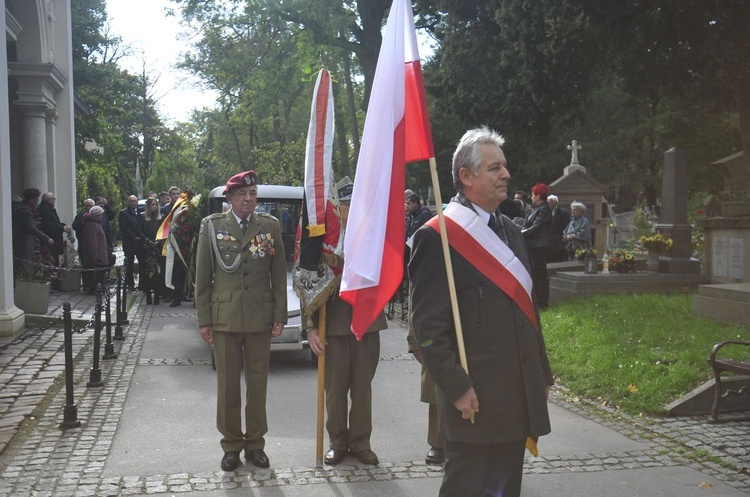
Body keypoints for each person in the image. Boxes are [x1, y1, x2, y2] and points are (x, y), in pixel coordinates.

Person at [409, 127, 553, 497]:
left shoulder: (510, 230)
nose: (505, 174)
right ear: (466, 176)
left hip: (515, 393)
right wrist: (456, 387)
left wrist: (541, 374)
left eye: (504, 166)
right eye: (494, 168)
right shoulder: (437, 237)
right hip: (473, 397)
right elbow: (426, 328)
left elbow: (527, 311)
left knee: (506, 488)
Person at [195, 170, 287, 472]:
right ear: (231, 198)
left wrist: (279, 315)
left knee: (258, 384)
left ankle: (256, 444)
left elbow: (278, 273)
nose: (249, 199)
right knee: (228, 385)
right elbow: (203, 279)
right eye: (242, 195)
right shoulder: (212, 226)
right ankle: (232, 444)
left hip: (260, 316)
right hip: (225, 318)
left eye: (253, 194)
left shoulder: (269, 226)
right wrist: (204, 320)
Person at [304, 178, 388, 467]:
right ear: (336, 207)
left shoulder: (373, 234)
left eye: (356, 203)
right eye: (346, 204)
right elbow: (309, 282)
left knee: (363, 389)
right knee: (335, 391)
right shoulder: (323, 236)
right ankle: (338, 443)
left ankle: (361, 443)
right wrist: (310, 326)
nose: (351, 209)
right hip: (335, 322)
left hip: (367, 320)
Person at [521, 183, 553, 309]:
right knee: (535, 273)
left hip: (539, 246)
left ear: (539, 196)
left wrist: (521, 232)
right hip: (533, 245)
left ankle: (542, 302)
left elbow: (535, 228)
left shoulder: (544, 209)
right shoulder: (536, 209)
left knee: (540, 274)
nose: (531, 196)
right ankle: (537, 300)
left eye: (533, 194)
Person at [12, 188, 53, 275]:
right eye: (36, 199)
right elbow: (31, 228)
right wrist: (46, 238)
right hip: (23, 244)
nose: (36, 202)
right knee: (24, 269)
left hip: (20, 243)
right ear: (31, 199)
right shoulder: (25, 212)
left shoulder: (20, 209)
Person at [138, 197, 163, 305]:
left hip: (158, 246)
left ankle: (157, 294)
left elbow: (164, 231)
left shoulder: (160, 217)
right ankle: (148, 294)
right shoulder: (142, 216)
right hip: (146, 247)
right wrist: (146, 240)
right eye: (152, 205)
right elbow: (139, 230)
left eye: (156, 205)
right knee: (147, 271)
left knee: (158, 272)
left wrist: (159, 241)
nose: (154, 207)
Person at [81, 206, 110, 293]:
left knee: (100, 277)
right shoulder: (92, 225)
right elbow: (92, 243)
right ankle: (95, 291)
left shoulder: (95, 224)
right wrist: (95, 258)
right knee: (97, 278)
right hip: (98, 258)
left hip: (100, 255)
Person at [119, 195, 145, 290]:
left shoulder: (141, 212)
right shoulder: (123, 213)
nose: (133, 203)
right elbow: (124, 228)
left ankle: (142, 284)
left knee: (142, 263)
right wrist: (134, 237)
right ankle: (130, 284)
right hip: (129, 242)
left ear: (137, 202)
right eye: (131, 201)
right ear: (128, 202)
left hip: (140, 243)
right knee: (129, 264)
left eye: (134, 201)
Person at [38, 192, 71, 266]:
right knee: (51, 263)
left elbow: (54, 222)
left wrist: (62, 226)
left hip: (54, 241)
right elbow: (47, 225)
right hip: (51, 241)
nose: (55, 201)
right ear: (49, 200)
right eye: (54, 199)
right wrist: (61, 227)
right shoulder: (45, 209)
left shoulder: (49, 209)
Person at [72, 198, 96, 291]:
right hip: (83, 244)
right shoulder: (80, 216)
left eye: (90, 206)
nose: (88, 208)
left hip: (94, 245)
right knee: (85, 264)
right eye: (87, 206)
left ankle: (95, 285)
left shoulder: (97, 216)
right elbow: (75, 226)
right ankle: (86, 284)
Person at [547, 194, 571, 263]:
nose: (548, 204)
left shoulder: (563, 213)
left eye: (550, 202)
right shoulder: (545, 212)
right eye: (548, 202)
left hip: (559, 239)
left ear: (555, 203)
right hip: (549, 240)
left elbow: (567, 225)